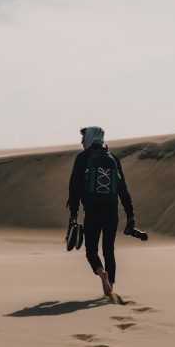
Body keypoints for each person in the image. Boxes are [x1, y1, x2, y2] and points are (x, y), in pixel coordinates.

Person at [67, 126, 135, 302]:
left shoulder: (82, 158)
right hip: (112, 212)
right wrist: (130, 214)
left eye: (83, 138)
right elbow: (123, 189)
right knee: (109, 251)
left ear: (89, 138)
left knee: (91, 251)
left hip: (92, 212)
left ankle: (101, 272)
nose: (81, 142)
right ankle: (111, 287)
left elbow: (74, 188)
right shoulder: (113, 158)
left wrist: (73, 213)